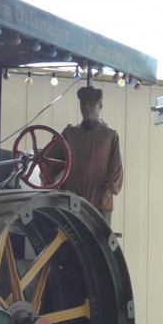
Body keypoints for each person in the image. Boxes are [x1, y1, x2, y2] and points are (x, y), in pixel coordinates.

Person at [50, 85, 123, 223]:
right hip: (70, 200)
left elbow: (116, 165)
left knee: (99, 235)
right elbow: (50, 160)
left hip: (99, 201)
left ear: (100, 106)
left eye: (92, 104)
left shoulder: (110, 135)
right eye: (83, 104)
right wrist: (47, 180)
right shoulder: (70, 133)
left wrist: (110, 187)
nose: (87, 108)